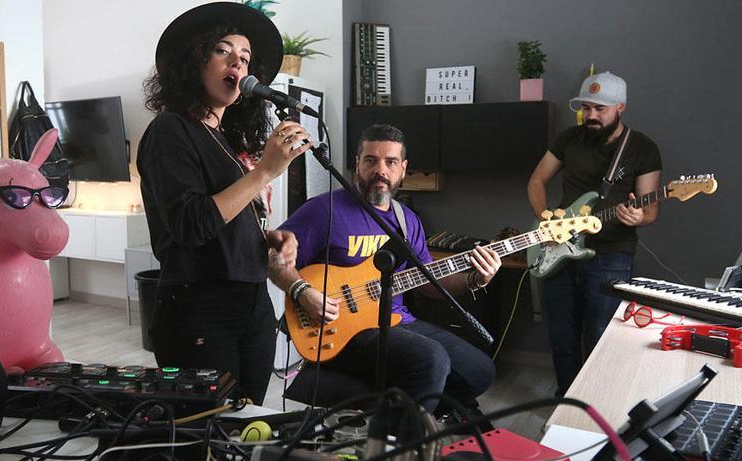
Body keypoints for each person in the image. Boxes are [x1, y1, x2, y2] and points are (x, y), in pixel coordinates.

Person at [137, 2, 312, 405]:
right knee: (206, 433)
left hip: (251, 303)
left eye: (245, 58)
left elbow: (224, 219)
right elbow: (190, 223)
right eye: (223, 50)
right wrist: (264, 173)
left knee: (245, 425)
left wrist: (265, 238)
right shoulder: (170, 130)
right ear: (193, 60)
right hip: (200, 307)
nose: (238, 62)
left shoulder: (224, 140)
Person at [270, 124, 499, 415]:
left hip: (397, 322)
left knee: (480, 371)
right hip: (341, 329)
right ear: (357, 164)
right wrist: (302, 292)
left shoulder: (408, 221)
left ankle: (397, 414)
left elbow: (426, 282)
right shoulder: (324, 210)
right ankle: (398, 449)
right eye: (370, 160)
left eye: (390, 162)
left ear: (403, 169)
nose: (380, 170)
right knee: (431, 359)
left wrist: (474, 278)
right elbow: (272, 257)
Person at [527, 71, 662, 396]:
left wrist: (637, 217)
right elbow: (536, 181)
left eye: (600, 109)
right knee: (561, 335)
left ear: (621, 107)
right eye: (587, 108)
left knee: (602, 337)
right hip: (560, 248)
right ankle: (565, 401)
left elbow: (651, 209)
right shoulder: (568, 139)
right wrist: (546, 220)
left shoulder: (642, 148)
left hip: (611, 255)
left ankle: (596, 406)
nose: (591, 116)